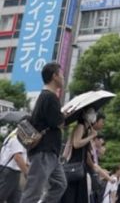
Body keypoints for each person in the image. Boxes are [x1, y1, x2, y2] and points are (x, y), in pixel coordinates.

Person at [21, 62, 67, 203]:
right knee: (33, 192)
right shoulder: (49, 97)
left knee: (59, 184)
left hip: (50, 152)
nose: (64, 78)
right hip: (44, 151)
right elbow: (59, 122)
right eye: (62, 75)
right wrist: (65, 115)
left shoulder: (47, 97)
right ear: (54, 76)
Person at [61, 108, 99, 203]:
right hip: (74, 164)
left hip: (81, 165)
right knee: (72, 194)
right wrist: (91, 136)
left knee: (79, 195)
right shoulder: (80, 126)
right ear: (85, 115)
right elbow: (76, 143)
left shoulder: (87, 129)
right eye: (91, 113)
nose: (94, 115)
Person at [0, 127, 29, 203]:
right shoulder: (18, 137)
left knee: (16, 198)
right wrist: (26, 172)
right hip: (10, 172)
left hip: (9, 171)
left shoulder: (12, 135)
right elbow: (17, 157)